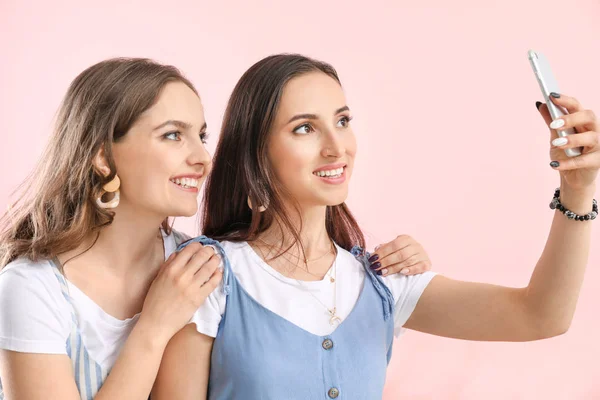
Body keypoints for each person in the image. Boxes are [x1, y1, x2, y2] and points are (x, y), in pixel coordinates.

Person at [153, 54, 598, 400]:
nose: (336, 147)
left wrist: (576, 191)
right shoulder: (208, 277)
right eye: (305, 128)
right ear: (257, 152)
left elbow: (541, 315)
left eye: (343, 122)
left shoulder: (383, 281)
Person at [0, 58, 223, 400]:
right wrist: (154, 327)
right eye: (173, 135)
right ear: (103, 157)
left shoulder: (196, 267)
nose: (203, 158)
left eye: (201, 135)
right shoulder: (32, 290)